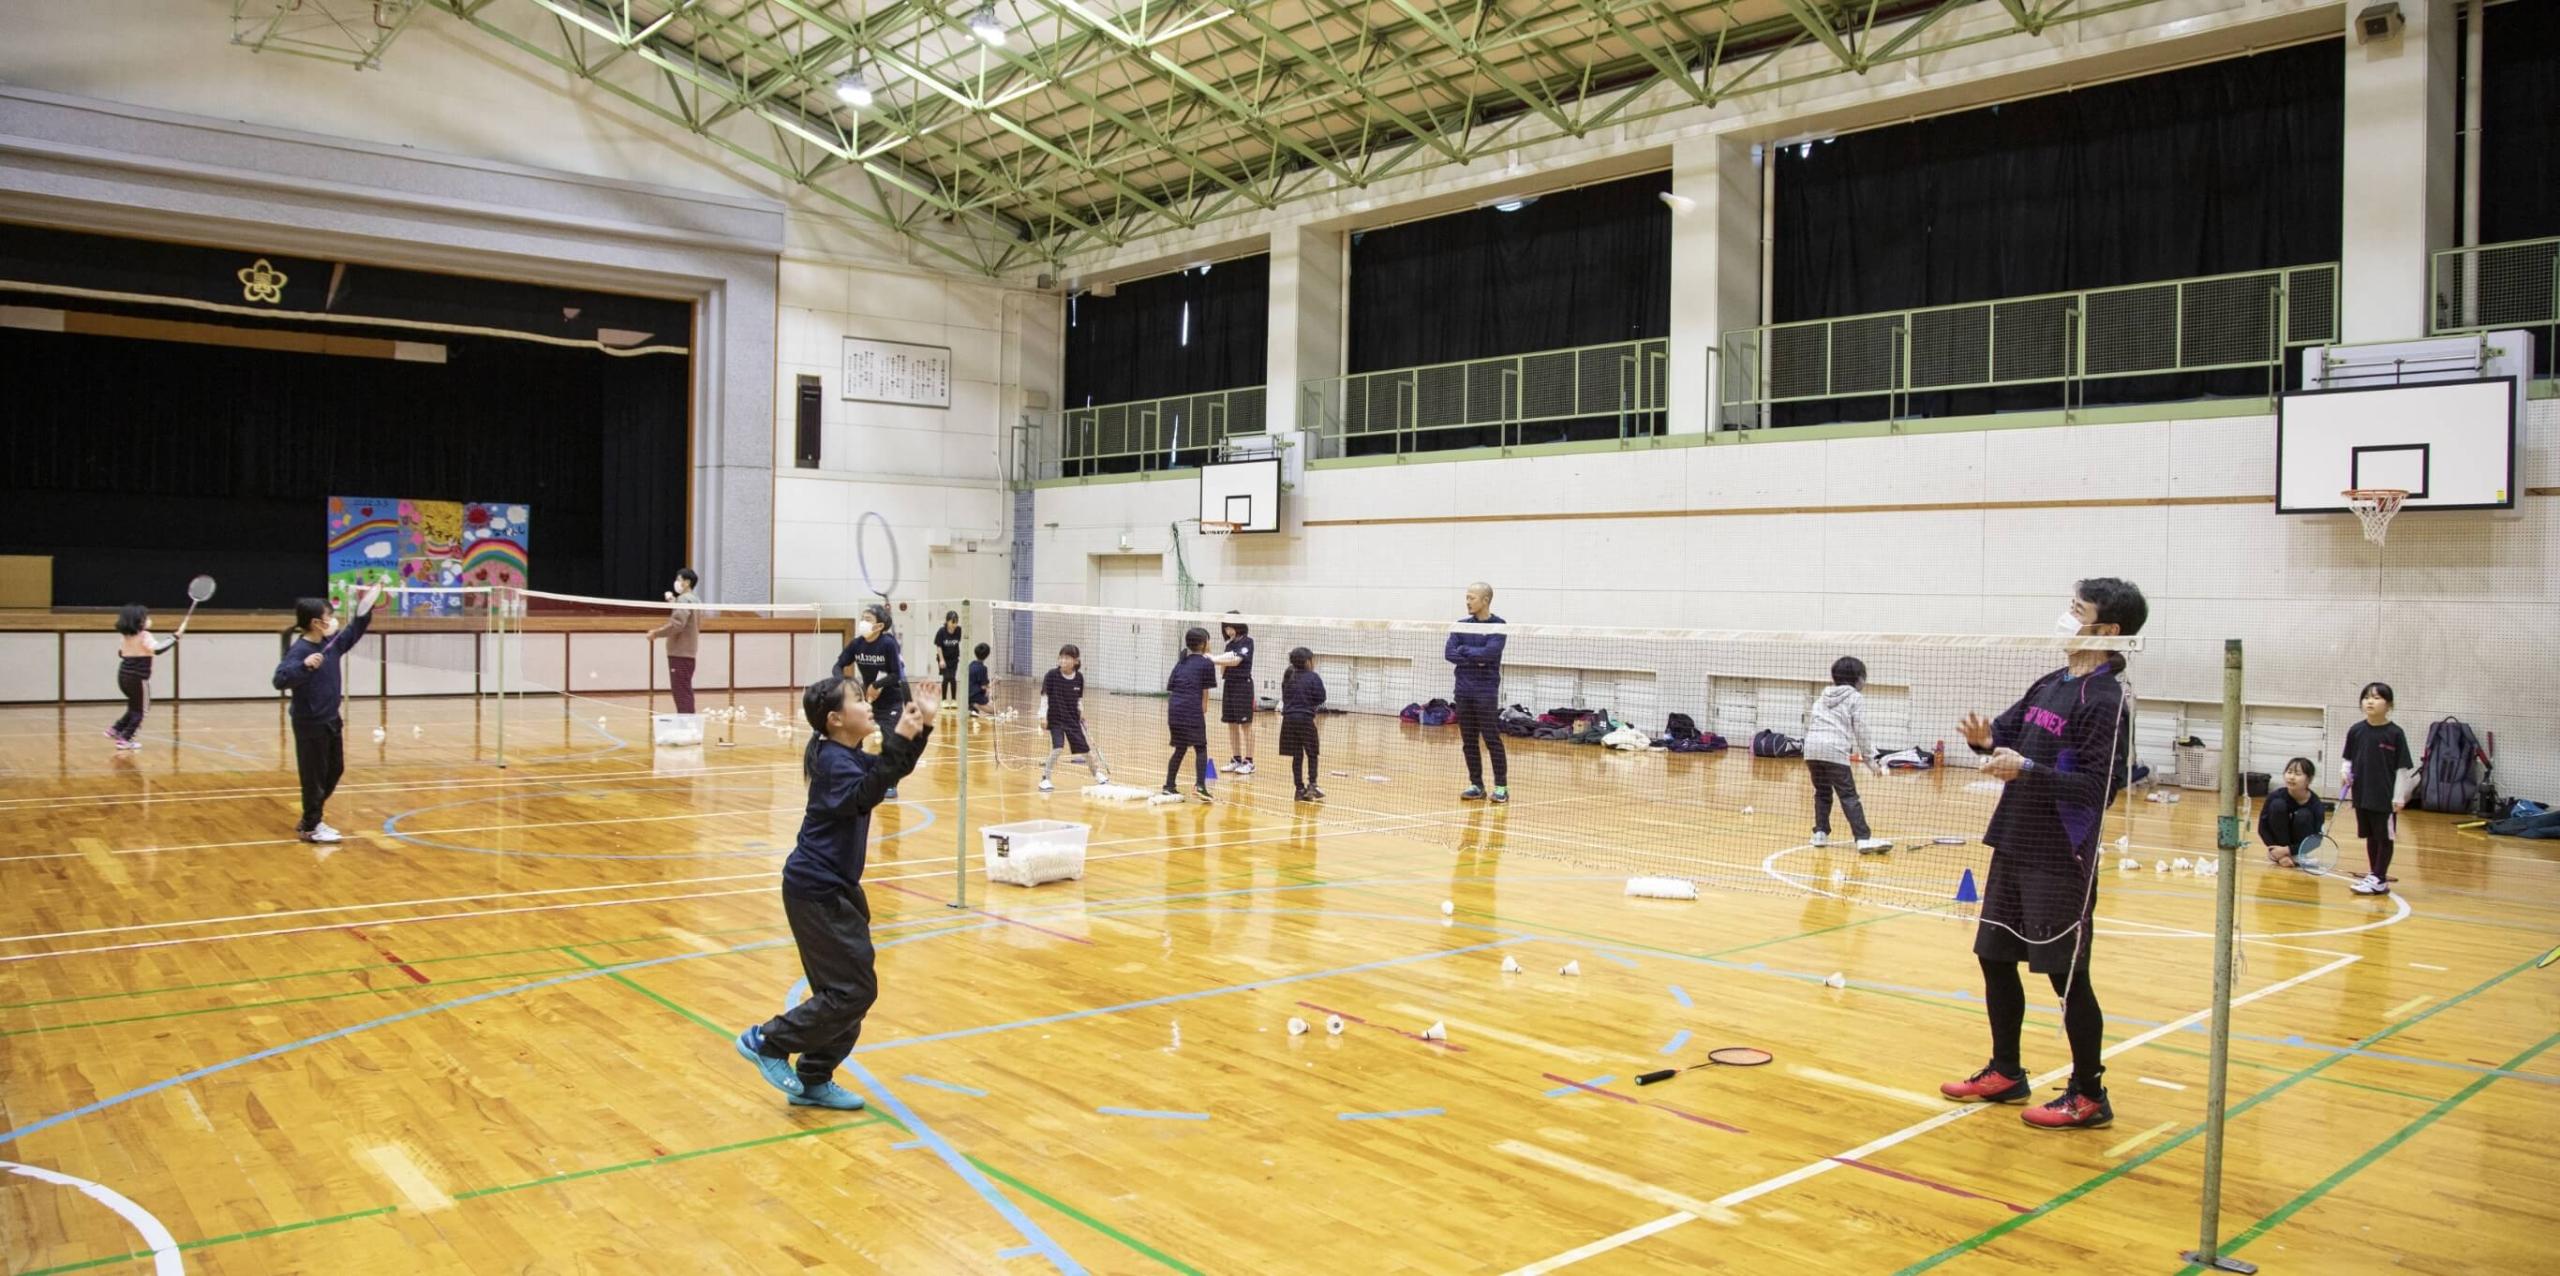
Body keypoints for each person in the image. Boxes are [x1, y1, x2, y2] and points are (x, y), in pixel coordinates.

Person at [1939, 576, 2144, 1131]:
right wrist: (1984, 742)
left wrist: (2025, 767)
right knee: (1994, 956)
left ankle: (2089, 1093)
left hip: (2062, 854)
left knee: (2066, 975)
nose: (2065, 617)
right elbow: (2003, 736)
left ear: (2107, 630)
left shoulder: (2107, 701)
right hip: (2014, 838)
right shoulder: (2051, 682)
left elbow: (2100, 789)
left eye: (2076, 610)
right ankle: (2007, 1071)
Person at [735, 679, 936, 1109]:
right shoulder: (832, 763)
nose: (869, 705)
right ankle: (765, 1039)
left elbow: (888, 775)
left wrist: (921, 728)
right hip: (815, 891)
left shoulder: (847, 755)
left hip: (836, 889)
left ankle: (813, 1078)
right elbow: (870, 790)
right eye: (859, 700)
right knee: (851, 991)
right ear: (835, 719)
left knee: (847, 992)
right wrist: (902, 736)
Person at [272, 582, 383, 844]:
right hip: (310, 723)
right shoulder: (300, 651)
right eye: (328, 617)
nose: (332, 620)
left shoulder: (330, 644)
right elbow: (279, 680)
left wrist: (364, 610)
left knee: (334, 770)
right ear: (315, 622)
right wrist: (304, 666)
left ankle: (312, 817)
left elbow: (353, 632)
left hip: (332, 720)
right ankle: (311, 826)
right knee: (313, 778)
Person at [1804, 656, 1890, 852]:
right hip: (1834, 750)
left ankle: (1820, 834)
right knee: (1849, 795)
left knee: (1822, 792)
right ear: (1858, 678)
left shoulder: (1822, 697)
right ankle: (1863, 838)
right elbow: (1861, 729)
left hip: (1811, 750)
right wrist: (1871, 760)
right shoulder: (1855, 697)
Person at [2341, 682, 2413, 896]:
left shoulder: (2395, 733)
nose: (2370, 701)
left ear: (2389, 704)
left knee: (2384, 837)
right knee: (2371, 836)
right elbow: (2348, 758)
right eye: (2366, 697)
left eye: (2377, 697)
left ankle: (2379, 878)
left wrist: (2399, 797)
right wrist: (2345, 772)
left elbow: (2402, 769)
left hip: (2385, 796)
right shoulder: (2356, 730)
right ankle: (2374, 875)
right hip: (2362, 793)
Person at [1445, 581, 1509, 803]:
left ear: (1485, 600)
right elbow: (1450, 653)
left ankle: (1501, 787)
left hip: (1485, 692)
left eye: (1472, 597)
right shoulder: (1461, 625)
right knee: (1468, 741)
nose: (1467, 602)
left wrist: (1467, 653)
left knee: (1491, 739)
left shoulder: (1498, 626)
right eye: (1467, 597)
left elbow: (1490, 654)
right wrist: (1473, 655)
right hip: (1463, 691)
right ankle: (1476, 785)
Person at [837, 604, 906, 796]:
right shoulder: (857, 644)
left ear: (879, 626)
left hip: (891, 701)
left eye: (868, 619)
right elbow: (839, 664)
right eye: (862, 618)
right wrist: (841, 682)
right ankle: (854, 776)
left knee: (891, 742)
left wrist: (877, 685)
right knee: (852, 737)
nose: (863, 622)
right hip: (867, 703)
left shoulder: (888, 644)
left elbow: (897, 673)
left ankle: (891, 784)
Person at [1162, 626, 1231, 802]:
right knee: (1201, 747)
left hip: (1174, 711)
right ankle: (1200, 786)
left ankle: (1169, 786)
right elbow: (1205, 690)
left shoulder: (1181, 662)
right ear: (1203, 643)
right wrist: (1203, 708)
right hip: (1191, 710)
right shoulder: (1206, 663)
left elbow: (1171, 687)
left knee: (1180, 748)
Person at [105, 602, 182, 750]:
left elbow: (121, 653)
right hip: (138, 679)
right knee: (142, 709)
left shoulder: (125, 637)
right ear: (138, 621)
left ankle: (116, 729)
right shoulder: (144, 635)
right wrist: (174, 638)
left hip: (123, 677)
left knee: (134, 706)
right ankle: (126, 739)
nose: (148, 620)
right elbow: (158, 649)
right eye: (145, 617)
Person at [1038, 643, 1109, 792]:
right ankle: (1045, 779)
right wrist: (1042, 717)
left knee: (1086, 750)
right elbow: (1044, 697)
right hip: (1056, 719)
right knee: (1057, 748)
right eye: (1061, 658)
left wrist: (1081, 712)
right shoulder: (1051, 675)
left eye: (1067, 658)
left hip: (1072, 720)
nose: (1063, 661)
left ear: (1075, 661)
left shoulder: (1079, 678)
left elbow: (1078, 699)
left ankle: (1097, 774)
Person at [649, 568, 703, 714]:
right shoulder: (695, 599)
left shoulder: (684, 599)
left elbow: (677, 625)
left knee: (681, 691)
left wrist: (656, 633)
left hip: (680, 653)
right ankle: (688, 723)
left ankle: (687, 725)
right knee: (684, 689)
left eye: (679, 579)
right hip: (688, 653)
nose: (677, 582)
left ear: (687, 582)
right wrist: (674, 601)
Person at [2259, 758, 2327, 867]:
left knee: (2304, 814)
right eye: (2289, 772)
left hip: (2296, 848)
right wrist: (2277, 853)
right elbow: (2262, 828)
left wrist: (2289, 850)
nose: (2291, 777)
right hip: (2277, 849)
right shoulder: (2275, 796)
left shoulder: (2316, 805)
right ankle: (2280, 855)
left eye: (2298, 774)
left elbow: (2316, 840)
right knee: (2278, 805)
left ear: (2309, 779)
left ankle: (2297, 855)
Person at [1281, 646, 1326, 802]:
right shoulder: (1313, 677)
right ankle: (1312, 784)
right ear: (1308, 661)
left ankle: (1299, 789)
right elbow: (1321, 697)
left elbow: (1284, 696)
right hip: (1305, 720)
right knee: (1312, 753)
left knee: (1297, 755)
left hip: (1288, 720)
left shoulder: (1289, 676)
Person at [1219, 613, 1258, 776]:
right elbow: (1223, 668)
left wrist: (1214, 659)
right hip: (1229, 685)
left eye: (1230, 626)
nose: (1228, 630)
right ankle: (1236, 759)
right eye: (1225, 627)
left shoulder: (1247, 642)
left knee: (1245, 725)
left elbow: (1236, 661)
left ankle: (1249, 762)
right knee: (1231, 724)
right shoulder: (1228, 645)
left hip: (1243, 686)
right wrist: (1221, 662)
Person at [933, 610, 963, 702]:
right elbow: (939, 646)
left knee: (953, 678)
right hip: (943, 658)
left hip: (954, 659)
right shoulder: (941, 631)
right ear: (947, 621)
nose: (955, 624)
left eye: (956, 622)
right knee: (946, 678)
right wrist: (941, 660)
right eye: (952, 622)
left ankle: (954, 700)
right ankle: (944, 700)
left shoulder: (959, 630)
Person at [968, 642, 992, 715]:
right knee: (995, 711)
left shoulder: (971, 664)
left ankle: (972, 706)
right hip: (975, 695)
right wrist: (995, 682)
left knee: (988, 697)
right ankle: (974, 704)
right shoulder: (983, 668)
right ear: (987, 655)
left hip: (967, 693)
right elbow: (984, 686)